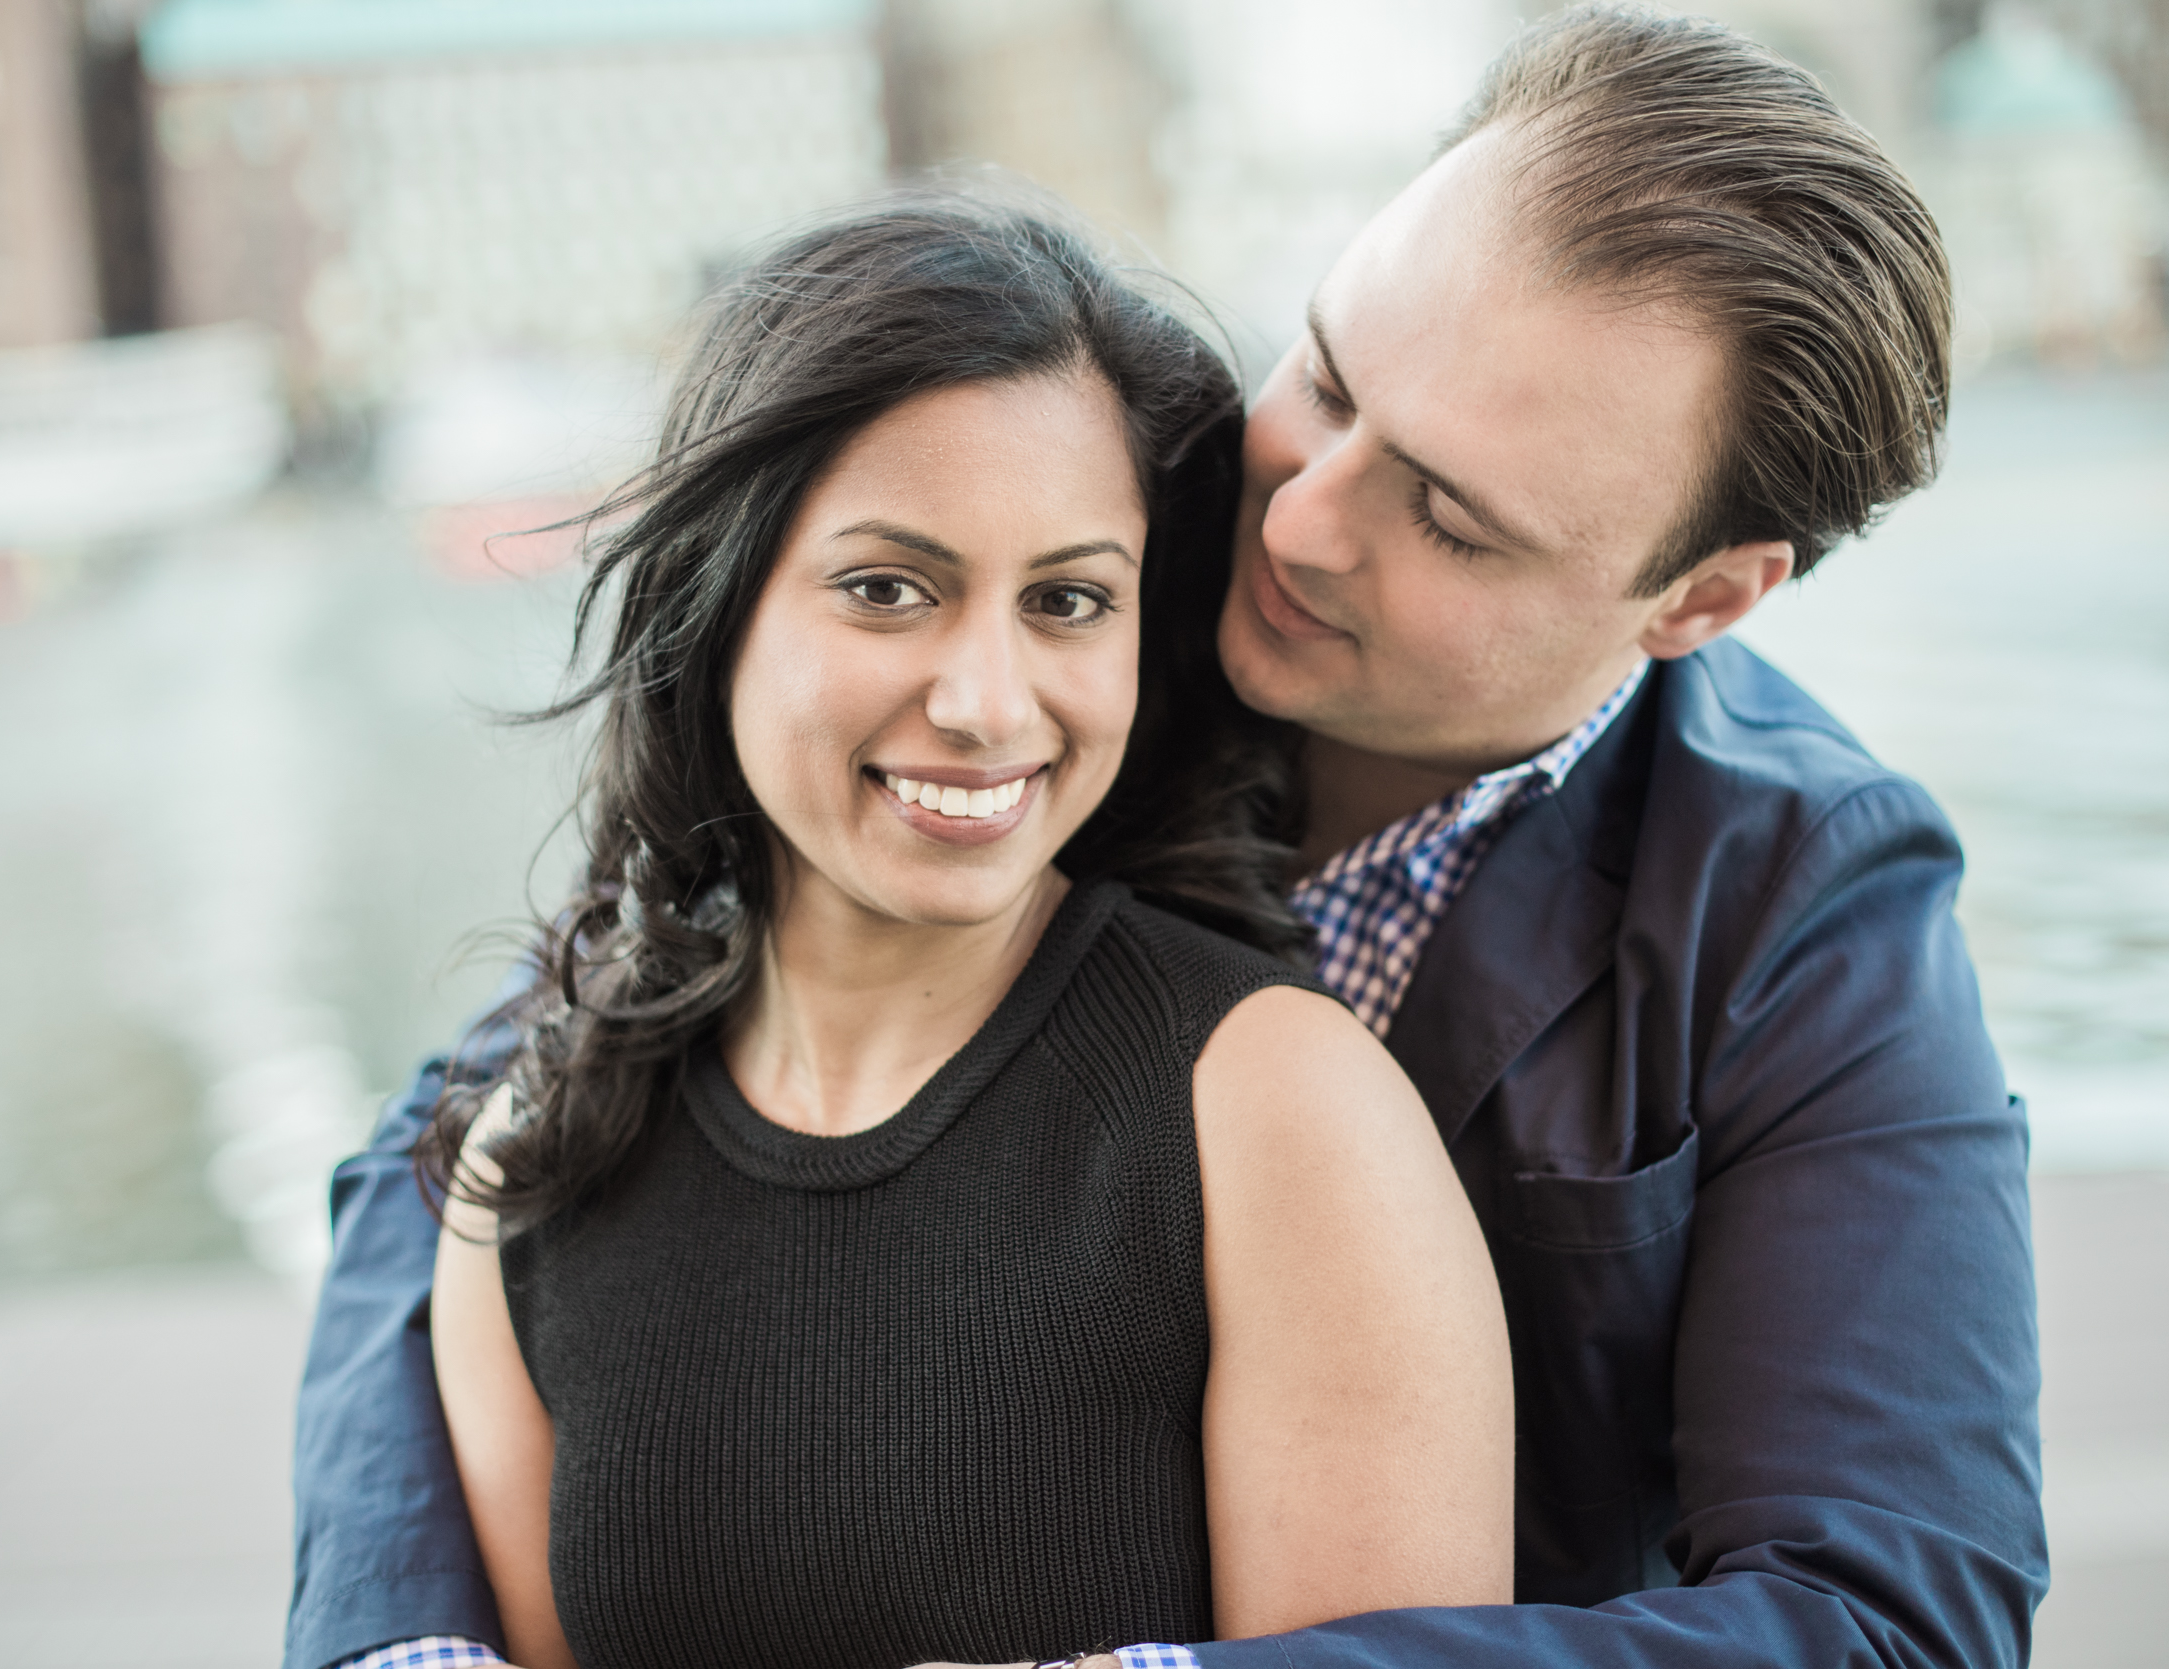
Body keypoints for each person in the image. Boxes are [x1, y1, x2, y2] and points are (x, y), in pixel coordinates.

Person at [288, 9, 2045, 1669]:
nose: (1300, 515)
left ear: (1704, 593)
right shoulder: (1094, 576)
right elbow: (500, 1099)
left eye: (1447, 513)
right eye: (1334, 373)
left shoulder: (1806, 899)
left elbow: (1890, 1619)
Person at [400, 201, 1513, 1669]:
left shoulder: (1278, 1110)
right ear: (718, 603)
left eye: (1066, 600)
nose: (989, 702)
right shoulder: (535, 1174)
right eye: (887, 588)